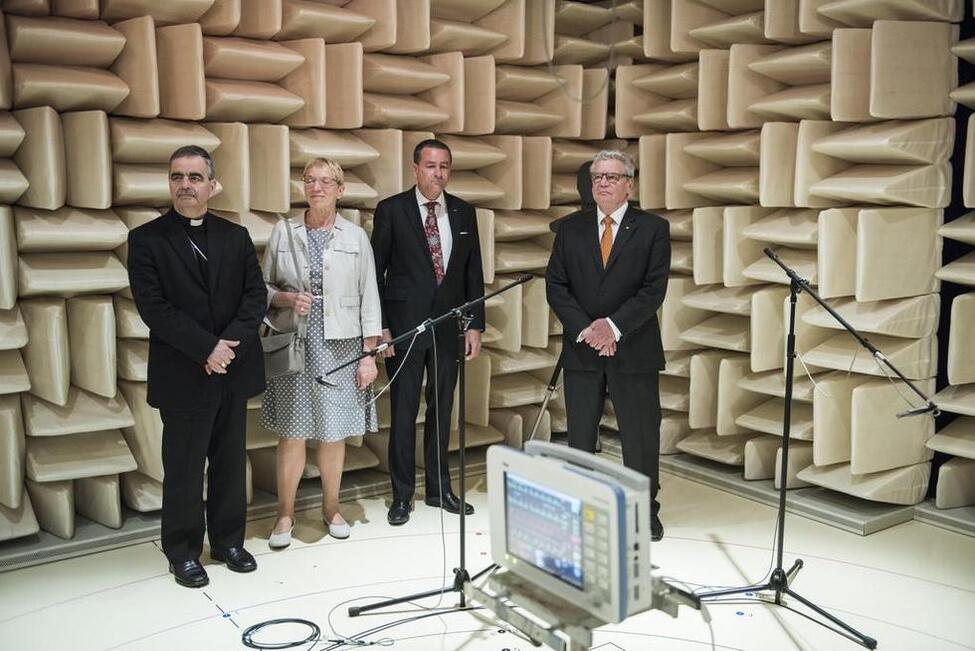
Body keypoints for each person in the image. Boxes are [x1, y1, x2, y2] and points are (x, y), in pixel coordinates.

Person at [127, 145, 267, 587]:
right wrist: (208, 348)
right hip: (185, 374)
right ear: (170, 183)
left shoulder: (235, 235)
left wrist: (230, 347)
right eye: (177, 177)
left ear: (211, 184)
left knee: (228, 463)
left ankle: (228, 542)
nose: (185, 185)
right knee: (185, 470)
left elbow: (254, 297)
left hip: (232, 370)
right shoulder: (147, 239)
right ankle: (183, 551)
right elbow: (154, 308)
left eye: (194, 177)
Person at [545, 149, 670, 541]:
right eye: (597, 176)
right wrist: (588, 330)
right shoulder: (570, 229)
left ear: (629, 184)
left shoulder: (653, 228)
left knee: (640, 437)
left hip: (633, 349)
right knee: (580, 437)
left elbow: (653, 290)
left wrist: (613, 328)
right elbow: (556, 287)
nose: (602, 183)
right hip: (582, 350)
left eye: (612, 177)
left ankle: (644, 510)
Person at [261, 158, 381, 548]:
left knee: (333, 435)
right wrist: (285, 298)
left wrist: (368, 355)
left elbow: (369, 298)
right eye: (310, 180)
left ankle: (332, 508)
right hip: (296, 344)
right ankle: (285, 514)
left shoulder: (356, 237)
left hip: (342, 346)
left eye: (326, 181)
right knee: (292, 435)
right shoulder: (283, 232)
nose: (317, 187)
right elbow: (262, 289)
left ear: (340, 190)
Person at [371, 139, 485, 526]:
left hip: (449, 326)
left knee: (442, 409)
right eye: (431, 165)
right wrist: (380, 327)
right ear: (415, 168)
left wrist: (475, 324)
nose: (438, 173)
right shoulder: (391, 210)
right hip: (404, 327)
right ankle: (401, 495)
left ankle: (439, 489)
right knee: (403, 412)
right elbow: (376, 273)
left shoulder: (464, 212)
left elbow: (473, 273)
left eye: (445, 167)